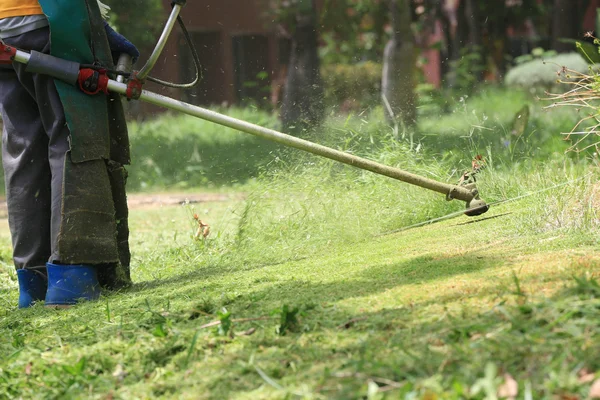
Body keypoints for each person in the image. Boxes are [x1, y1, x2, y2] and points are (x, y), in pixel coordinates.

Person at [0, 0, 139, 308]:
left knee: (25, 148)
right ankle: (72, 273)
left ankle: (33, 283)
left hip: (4, 31)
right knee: (74, 136)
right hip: (50, 21)